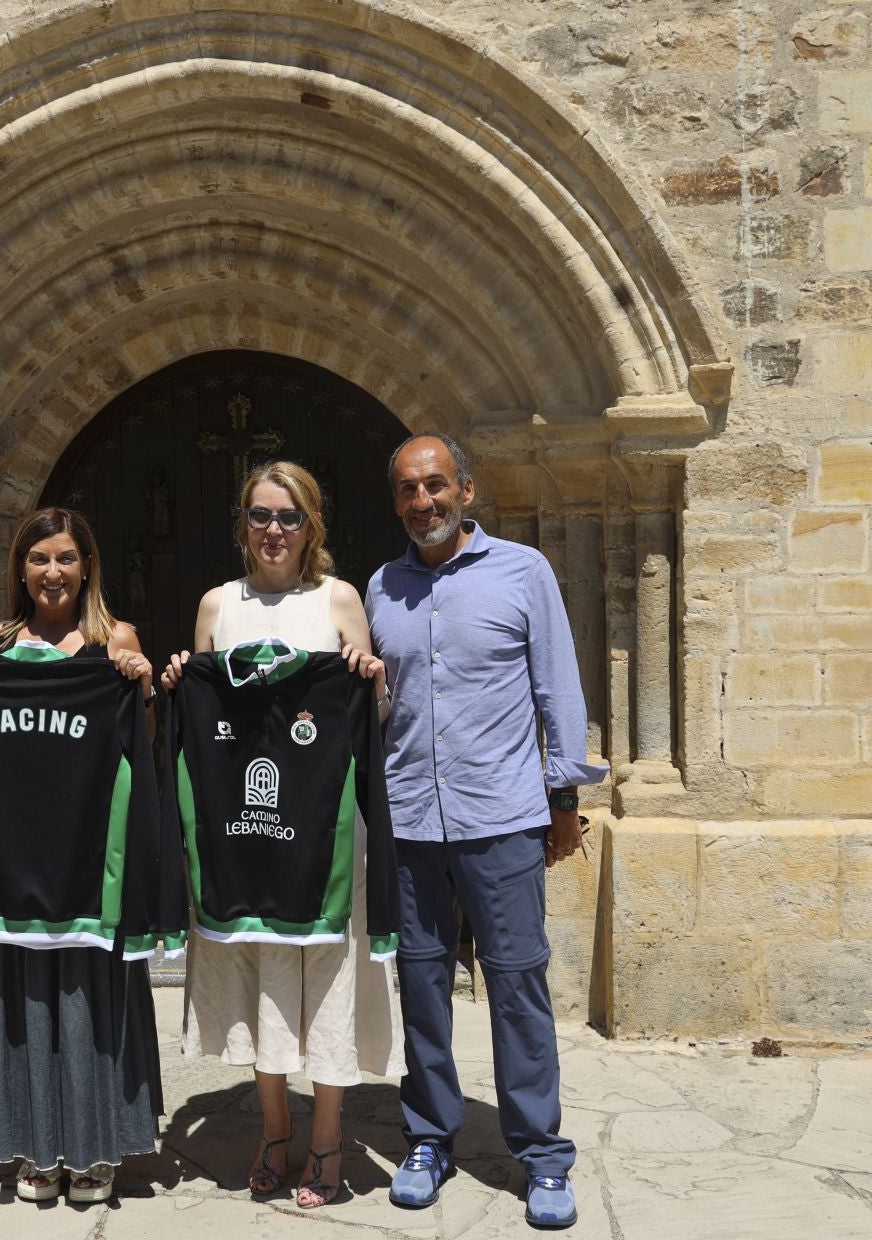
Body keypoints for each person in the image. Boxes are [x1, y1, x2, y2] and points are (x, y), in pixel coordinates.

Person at [365, 435, 606, 1230]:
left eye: (436, 486)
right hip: (409, 820)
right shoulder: (382, 587)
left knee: (516, 984)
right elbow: (374, 704)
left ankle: (540, 1156)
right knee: (423, 985)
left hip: (500, 814)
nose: (423, 502)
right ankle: (430, 1138)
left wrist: (562, 795)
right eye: (408, 490)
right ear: (396, 500)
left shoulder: (523, 572)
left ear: (466, 490)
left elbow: (557, 686)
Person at [160, 461, 401, 1209]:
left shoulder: (338, 600)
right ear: (243, 526)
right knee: (258, 976)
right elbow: (196, 715)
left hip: (325, 834)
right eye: (261, 516)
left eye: (289, 517)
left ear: (311, 527)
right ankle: (274, 1129)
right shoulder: (214, 607)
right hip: (243, 838)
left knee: (327, 983)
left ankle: (326, 1138)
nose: (274, 530)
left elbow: (375, 720)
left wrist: (372, 680)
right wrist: (176, 681)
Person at [0, 507, 160, 1204]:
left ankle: (96, 1150)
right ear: (19, 570)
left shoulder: (114, 638)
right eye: (38, 560)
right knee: (24, 1000)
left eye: (64, 558)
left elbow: (140, 744)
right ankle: (33, 1145)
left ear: (87, 564)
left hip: (91, 857)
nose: (52, 573)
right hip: (17, 856)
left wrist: (141, 683)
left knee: (93, 1001)